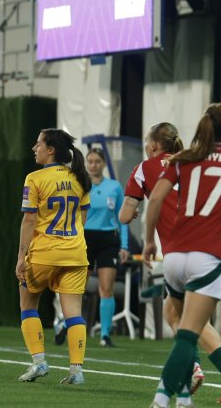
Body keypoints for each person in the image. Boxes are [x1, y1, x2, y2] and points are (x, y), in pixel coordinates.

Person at [143, 103, 221, 407]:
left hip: (174, 257)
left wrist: (148, 241)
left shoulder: (184, 158)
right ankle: (161, 399)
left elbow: (155, 199)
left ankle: (183, 398)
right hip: (208, 258)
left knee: (176, 318)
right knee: (188, 333)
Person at [121, 122, 211, 394]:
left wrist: (135, 214)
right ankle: (194, 366)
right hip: (206, 244)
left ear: (152, 145)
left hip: (177, 250)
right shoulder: (191, 163)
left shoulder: (144, 169)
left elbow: (124, 216)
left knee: (187, 316)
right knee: (178, 312)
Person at [15, 128, 92, 385]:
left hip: (44, 252)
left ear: (50, 149)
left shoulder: (35, 178)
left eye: (38, 144)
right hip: (76, 254)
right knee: (73, 314)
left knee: (28, 305)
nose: (33, 148)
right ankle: (76, 371)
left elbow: (29, 219)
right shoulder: (79, 176)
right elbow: (83, 217)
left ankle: (39, 363)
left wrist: (20, 256)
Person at [79, 147, 129, 347]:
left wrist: (124, 245)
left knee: (106, 288)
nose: (93, 165)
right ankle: (67, 325)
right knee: (77, 288)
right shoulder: (81, 184)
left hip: (108, 239)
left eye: (97, 161)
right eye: (90, 161)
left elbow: (123, 218)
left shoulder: (115, 187)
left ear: (104, 164)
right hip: (85, 238)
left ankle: (105, 334)